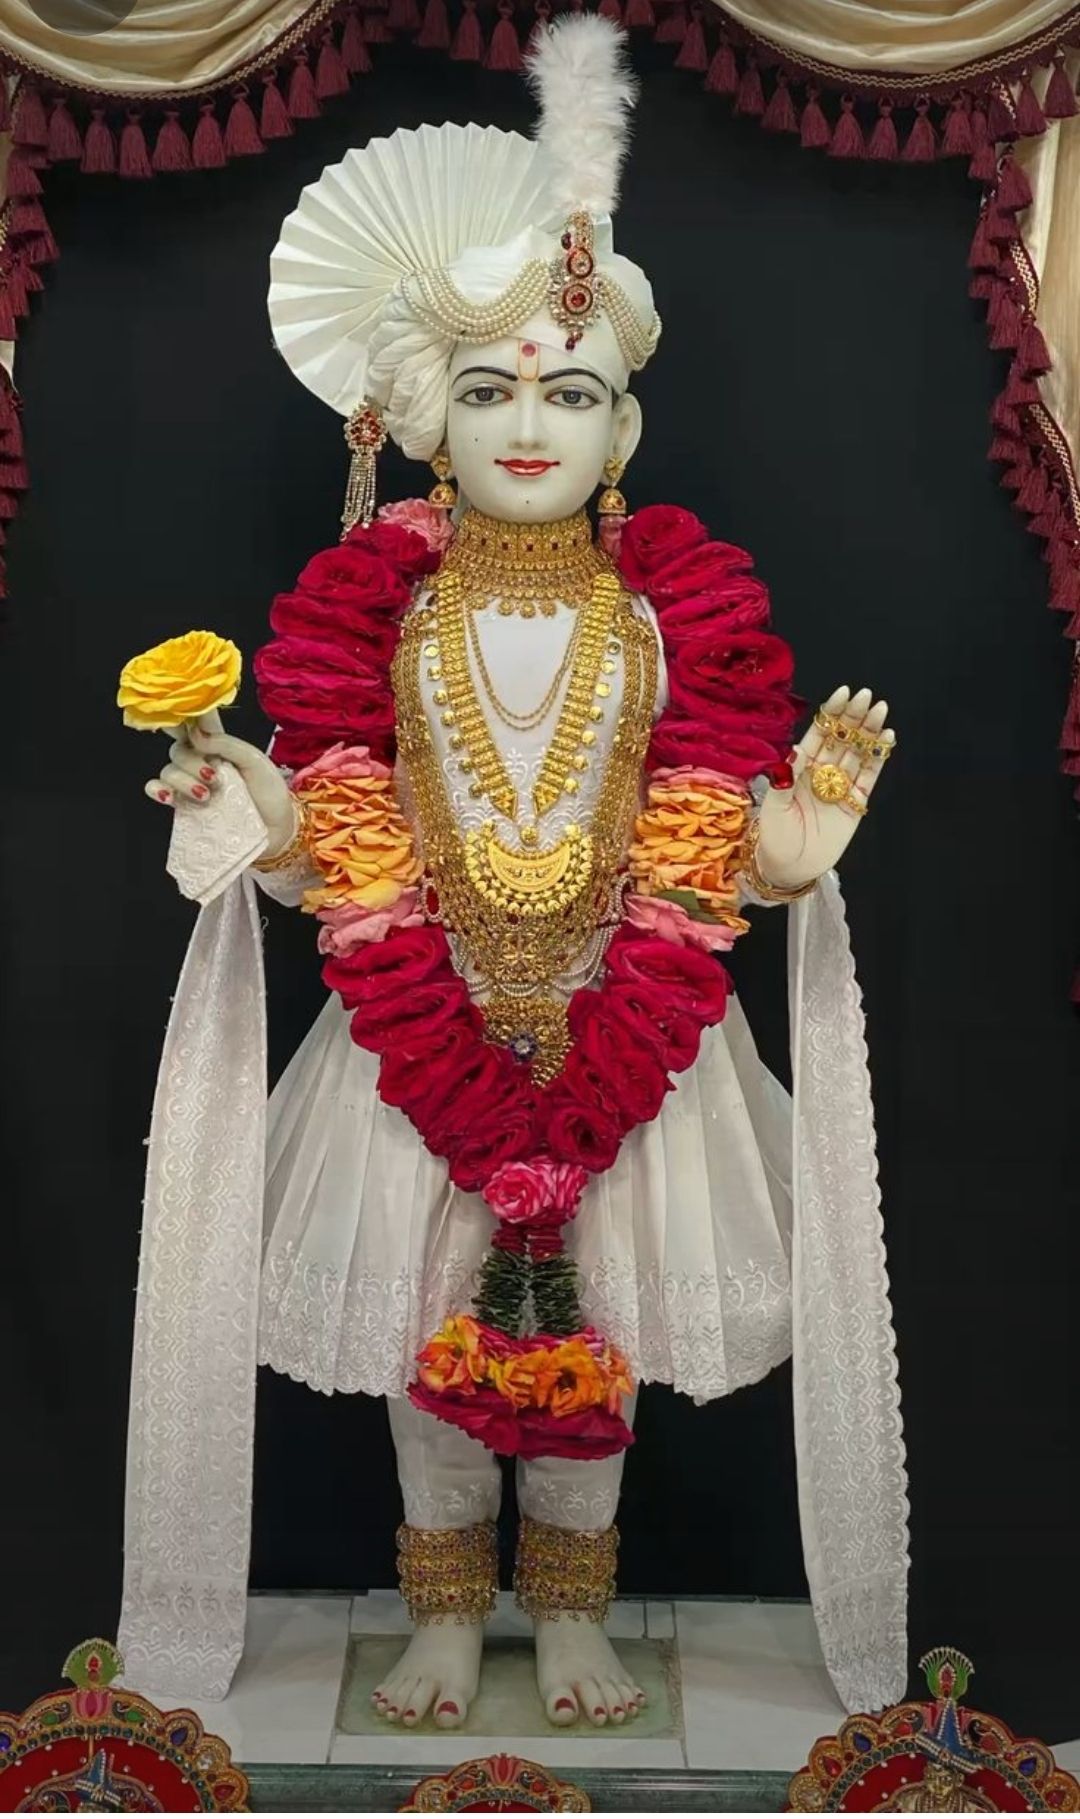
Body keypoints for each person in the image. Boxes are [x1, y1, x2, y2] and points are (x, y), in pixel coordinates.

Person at [119, 16, 909, 1725]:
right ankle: (440, 1611)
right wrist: (243, 786)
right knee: (429, 1340)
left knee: (594, 1334)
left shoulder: (659, 614)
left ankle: (567, 1614)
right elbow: (335, 848)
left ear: (624, 425)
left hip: (632, 1030)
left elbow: (718, 837)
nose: (528, 424)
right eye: (487, 391)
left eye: (569, 391)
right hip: (421, 1033)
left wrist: (803, 842)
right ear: (418, 423)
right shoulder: (383, 619)